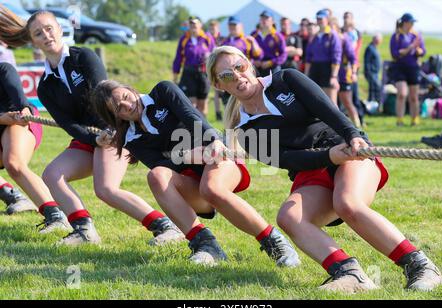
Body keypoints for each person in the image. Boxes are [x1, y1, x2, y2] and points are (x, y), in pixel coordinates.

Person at [206, 45, 442, 293]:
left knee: (348, 203)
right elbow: (289, 159)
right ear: (218, 85)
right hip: (312, 168)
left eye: (239, 67)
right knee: (289, 218)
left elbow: (327, 108)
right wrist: (328, 157)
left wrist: (353, 135)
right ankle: (349, 274)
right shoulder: (245, 132)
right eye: (226, 75)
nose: (237, 76)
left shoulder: (286, 78)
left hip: (346, 147)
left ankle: (422, 267)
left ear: (249, 64)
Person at [0, 6, 183, 246]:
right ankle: (84, 230)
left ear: (59, 29)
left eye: (49, 29)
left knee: (105, 189)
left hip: (116, 131)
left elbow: (105, 98)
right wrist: (92, 139)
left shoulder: (83, 56)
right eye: (38, 34)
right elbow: (68, 124)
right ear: (33, 41)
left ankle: (165, 228)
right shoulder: (44, 85)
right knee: (52, 174)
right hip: (90, 138)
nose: (46, 36)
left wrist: (108, 132)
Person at [91, 79, 300, 267]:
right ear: (115, 116)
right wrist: (188, 156)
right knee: (156, 175)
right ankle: (206, 246)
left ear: (130, 89)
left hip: (219, 156)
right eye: (119, 108)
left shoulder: (163, 92)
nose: (128, 105)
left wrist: (212, 142)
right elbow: (159, 163)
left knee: (211, 187)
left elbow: (192, 117)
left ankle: (275, 243)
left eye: (126, 97)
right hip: (192, 179)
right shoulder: (130, 137)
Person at [0, 62, 71, 233]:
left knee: (14, 163)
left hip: (19, 120)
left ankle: (57, 215)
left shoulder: (3, 69)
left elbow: (21, 102)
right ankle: (14, 197)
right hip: (4, 120)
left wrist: (23, 110)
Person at [173, 16, 215, 117]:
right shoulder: (184, 39)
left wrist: (209, 56)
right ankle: (194, 129)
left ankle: (203, 130)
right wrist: (175, 74)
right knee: (191, 104)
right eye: (191, 24)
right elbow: (178, 57)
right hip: (189, 73)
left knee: (203, 105)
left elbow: (214, 54)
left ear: (200, 25)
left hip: (203, 73)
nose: (193, 26)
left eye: (195, 24)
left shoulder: (207, 38)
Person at [390, 13, 426, 126]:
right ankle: (399, 120)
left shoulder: (416, 35)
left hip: (413, 67)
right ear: (405, 22)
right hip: (400, 68)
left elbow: (423, 51)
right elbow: (395, 54)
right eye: (411, 22)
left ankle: (414, 119)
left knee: (414, 96)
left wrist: (419, 51)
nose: (412, 25)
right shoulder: (396, 36)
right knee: (402, 94)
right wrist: (410, 47)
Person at [221, 16, 263, 106]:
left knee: (247, 99)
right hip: (229, 76)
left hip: (244, 75)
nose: (232, 27)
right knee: (229, 102)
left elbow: (259, 55)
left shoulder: (246, 40)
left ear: (241, 26)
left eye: (234, 25)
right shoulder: (224, 41)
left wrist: (254, 43)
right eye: (230, 25)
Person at [305, 10, 342, 106]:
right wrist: (306, 74)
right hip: (315, 69)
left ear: (327, 19)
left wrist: (334, 76)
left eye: (321, 19)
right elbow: (309, 58)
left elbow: (336, 57)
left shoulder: (332, 35)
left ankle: (335, 121)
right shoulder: (315, 36)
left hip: (328, 68)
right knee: (316, 100)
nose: (319, 21)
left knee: (331, 102)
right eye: (317, 19)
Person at [333, 20, 361, 128]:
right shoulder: (331, 38)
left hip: (344, 75)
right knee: (335, 104)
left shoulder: (344, 38)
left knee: (347, 102)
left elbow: (353, 58)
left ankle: (358, 125)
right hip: (335, 75)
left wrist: (354, 72)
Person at [343, 11, 365, 127]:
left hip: (352, 67)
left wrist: (354, 68)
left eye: (349, 17)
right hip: (344, 67)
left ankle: (360, 120)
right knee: (345, 98)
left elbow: (356, 51)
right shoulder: (342, 31)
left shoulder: (356, 33)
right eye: (345, 17)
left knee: (354, 96)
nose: (347, 19)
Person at [251, 10, 287, 77]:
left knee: (275, 87)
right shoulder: (253, 34)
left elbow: (283, 55)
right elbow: (248, 51)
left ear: (272, 21)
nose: (264, 20)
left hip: (273, 69)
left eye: (267, 18)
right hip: (257, 69)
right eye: (262, 18)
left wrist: (271, 62)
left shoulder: (277, 36)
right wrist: (253, 61)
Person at [208, 20, 225, 121]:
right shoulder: (207, 38)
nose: (212, 30)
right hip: (213, 67)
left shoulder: (222, 39)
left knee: (223, 90)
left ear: (218, 28)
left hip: (222, 66)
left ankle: (226, 110)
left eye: (214, 28)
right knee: (216, 90)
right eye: (210, 28)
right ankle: (218, 113)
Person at [364, 34, 383, 104]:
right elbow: (367, 62)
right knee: (375, 89)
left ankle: (374, 104)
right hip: (371, 73)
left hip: (375, 73)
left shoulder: (374, 48)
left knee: (374, 89)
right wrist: (368, 73)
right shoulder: (370, 48)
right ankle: (372, 105)